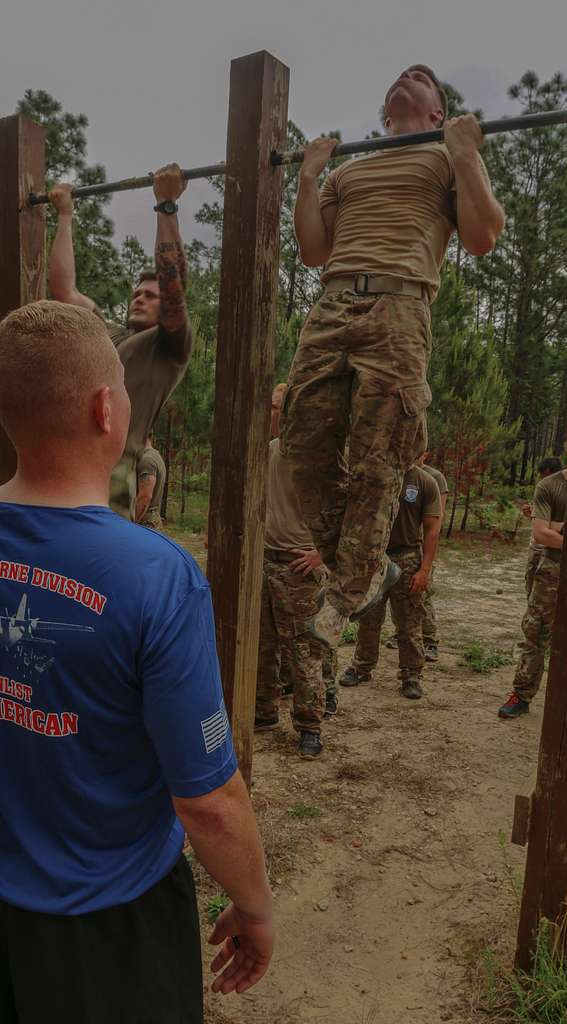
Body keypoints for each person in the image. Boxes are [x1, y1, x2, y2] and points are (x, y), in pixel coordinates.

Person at [0, 301, 273, 1024]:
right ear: (105, 409)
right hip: (108, 927)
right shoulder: (155, 577)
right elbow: (208, 801)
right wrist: (255, 906)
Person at [280, 64, 505, 647]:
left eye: (422, 77)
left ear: (437, 112)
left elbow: (483, 237)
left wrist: (466, 153)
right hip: (332, 302)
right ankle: (368, 569)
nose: (407, 75)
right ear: (387, 112)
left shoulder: (445, 157)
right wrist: (309, 176)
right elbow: (311, 250)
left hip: (400, 307)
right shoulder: (351, 169)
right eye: (401, 75)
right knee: (301, 441)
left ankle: (349, 590)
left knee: (379, 460)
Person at [46, 163, 193, 519]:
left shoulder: (169, 347)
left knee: (100, 566)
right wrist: (65, 215)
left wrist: (166, 205)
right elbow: (64, 291)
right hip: (68, 465)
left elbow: (173, 286)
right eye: (136, 292)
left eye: (149, 294)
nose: (138, 297)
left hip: (113, 471)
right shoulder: (108, 334)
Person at [255, 385, 337, 759]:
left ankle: (309, 725)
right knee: (262, 645)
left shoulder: (315, 457)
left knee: (305, 652)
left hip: (299, 566)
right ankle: (263, 711)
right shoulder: (268, 451)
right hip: (265, 560)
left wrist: (323, 553)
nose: (269, 414)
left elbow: (351, 506)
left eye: (273, 407)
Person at [339, 462, 442, 699]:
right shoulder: (375, 474)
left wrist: (424, 570)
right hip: (374, 558)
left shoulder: (425, 482)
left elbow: (432, 530)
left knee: (409, 621)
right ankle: (362, 667)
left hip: (407, 557)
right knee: (368, 616)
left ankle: (411, 675)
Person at [499, 429, 567, 719]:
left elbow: (551, 530)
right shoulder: (550, 485)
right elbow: (541, 534)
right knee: (535, 634)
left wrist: (559, 528)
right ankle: (522, 694)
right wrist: (556, 530)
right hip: (552, 571)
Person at [387, 452, 448, 660]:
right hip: (381, 554)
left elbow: (435, 524)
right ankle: (363, 665)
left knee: (418, 602)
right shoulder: (384, 473)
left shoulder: (430, 479)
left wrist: (425, 567)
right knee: (373, 613)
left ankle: (428, 642)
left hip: (412, 551)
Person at [521, 456, 563, 598]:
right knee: (532, 585)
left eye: (543, 475)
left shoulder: (561, 490)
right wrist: (533, 514)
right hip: (537, 547)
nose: (541, 479)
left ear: (549, 472)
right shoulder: (545, 489)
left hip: (552, 550)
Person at [135, 439, 167, 528]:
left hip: (146, 522)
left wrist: (133, 524)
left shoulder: (147, 460)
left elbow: (145, 497)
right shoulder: (156, 456)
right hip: (152, 519)